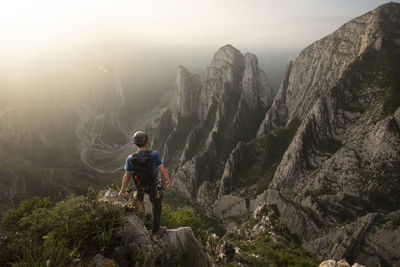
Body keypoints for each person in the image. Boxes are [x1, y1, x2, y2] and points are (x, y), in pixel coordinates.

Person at [118, 131, 172, 239]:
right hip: (154, 188)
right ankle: (156, 231)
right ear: (146, 142)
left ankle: (139, 219)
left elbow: (126, 177)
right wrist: (168, 180)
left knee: (137, 198)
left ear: (135, 143)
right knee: (157, 206)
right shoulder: (153, 155)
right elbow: (162, 170)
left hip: (140, 187)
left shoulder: (130, 159)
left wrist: (122, 190)